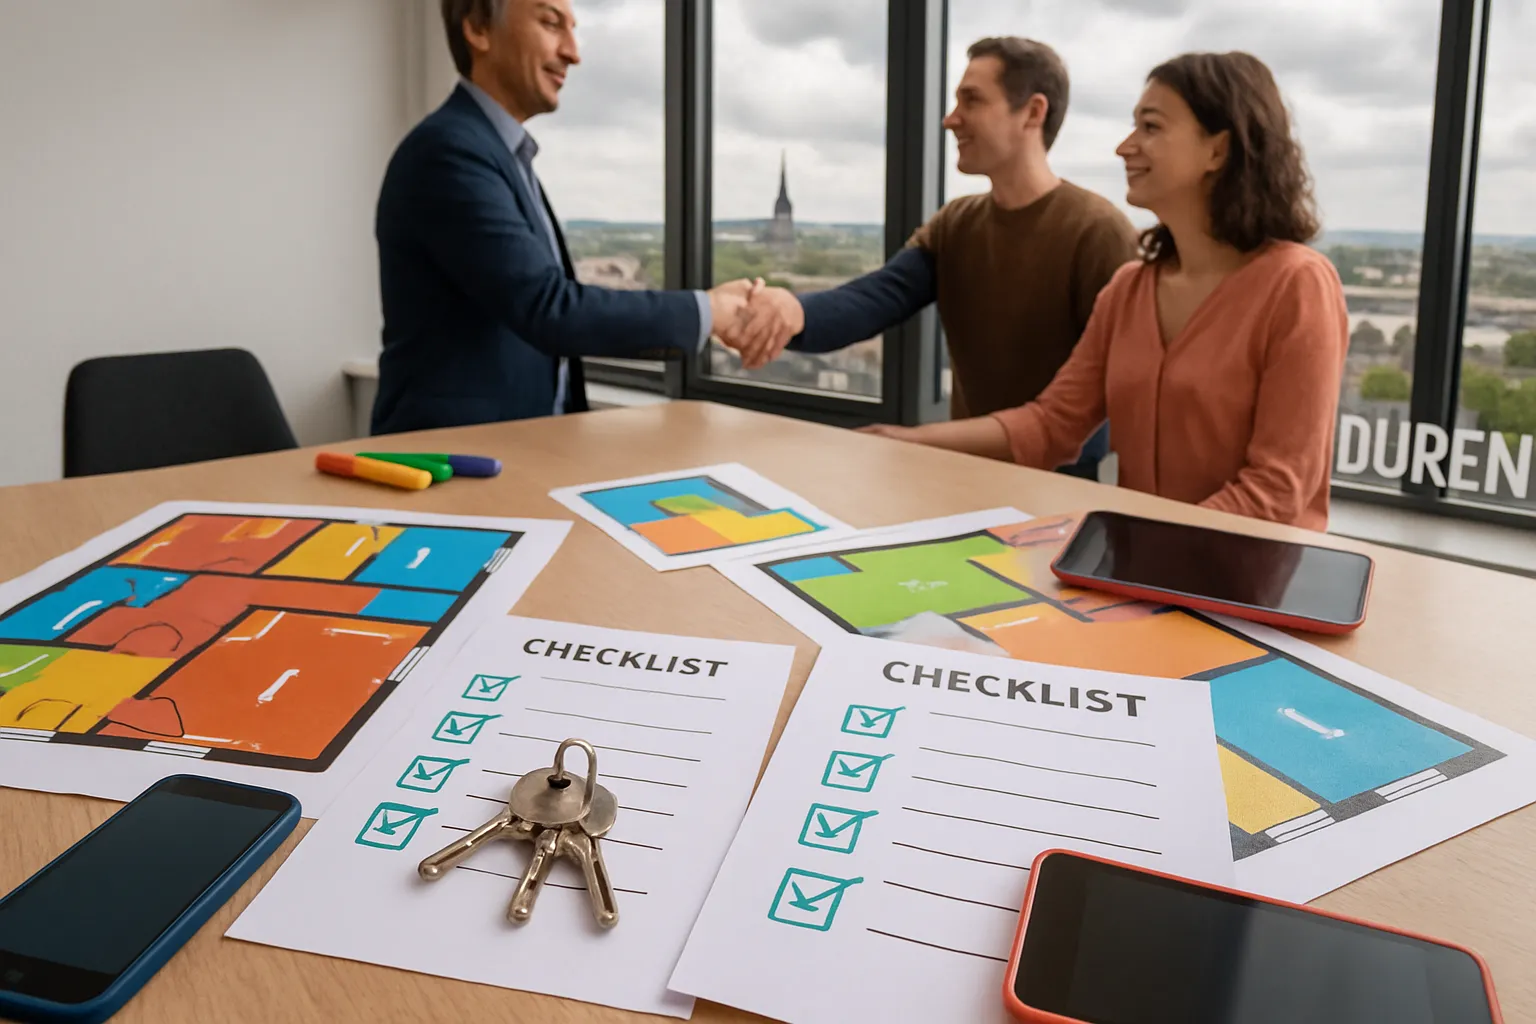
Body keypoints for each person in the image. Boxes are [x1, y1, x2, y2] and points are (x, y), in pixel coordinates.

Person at [861, 51, 1349, 531]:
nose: (1124, 147)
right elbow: (1051, 424)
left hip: (1246, 587)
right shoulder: (1129, 290)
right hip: (1146, 575)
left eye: (1151, 127)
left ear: (1217, 150)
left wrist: (1141, 555)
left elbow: (1276, 492)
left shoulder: (1297, 285)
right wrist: (907, 440)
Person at [732, 38, 1138, 479]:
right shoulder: (957, 225)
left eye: (972, 100)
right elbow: (873, 300)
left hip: (1065, 496)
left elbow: (1105, 399)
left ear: (1033, 112)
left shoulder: (1097, 232)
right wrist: (788, 310)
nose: (950, 119)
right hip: (968, 480)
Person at [371, 0, 770, 435]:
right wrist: (708, 311)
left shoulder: (498, 154)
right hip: (446, 465)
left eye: (574, 29)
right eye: (550, 23)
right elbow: (549, 308)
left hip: (518, 453)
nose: (573, 52)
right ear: (478, 29)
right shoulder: (449, 153)